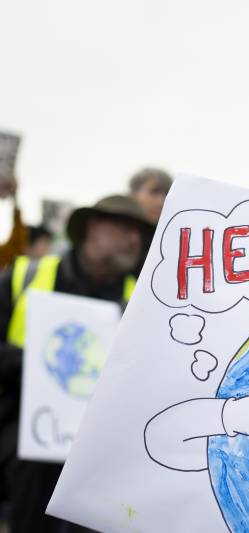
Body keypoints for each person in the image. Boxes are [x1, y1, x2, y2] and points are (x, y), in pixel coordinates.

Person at [0, 195, 153, 532]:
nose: (135, 240)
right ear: (93, 227)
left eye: (140, 233)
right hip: (20, 431)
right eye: (125, 228)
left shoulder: (142, 301)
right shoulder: (25, 276)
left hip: (98, 448)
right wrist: (31, 363)